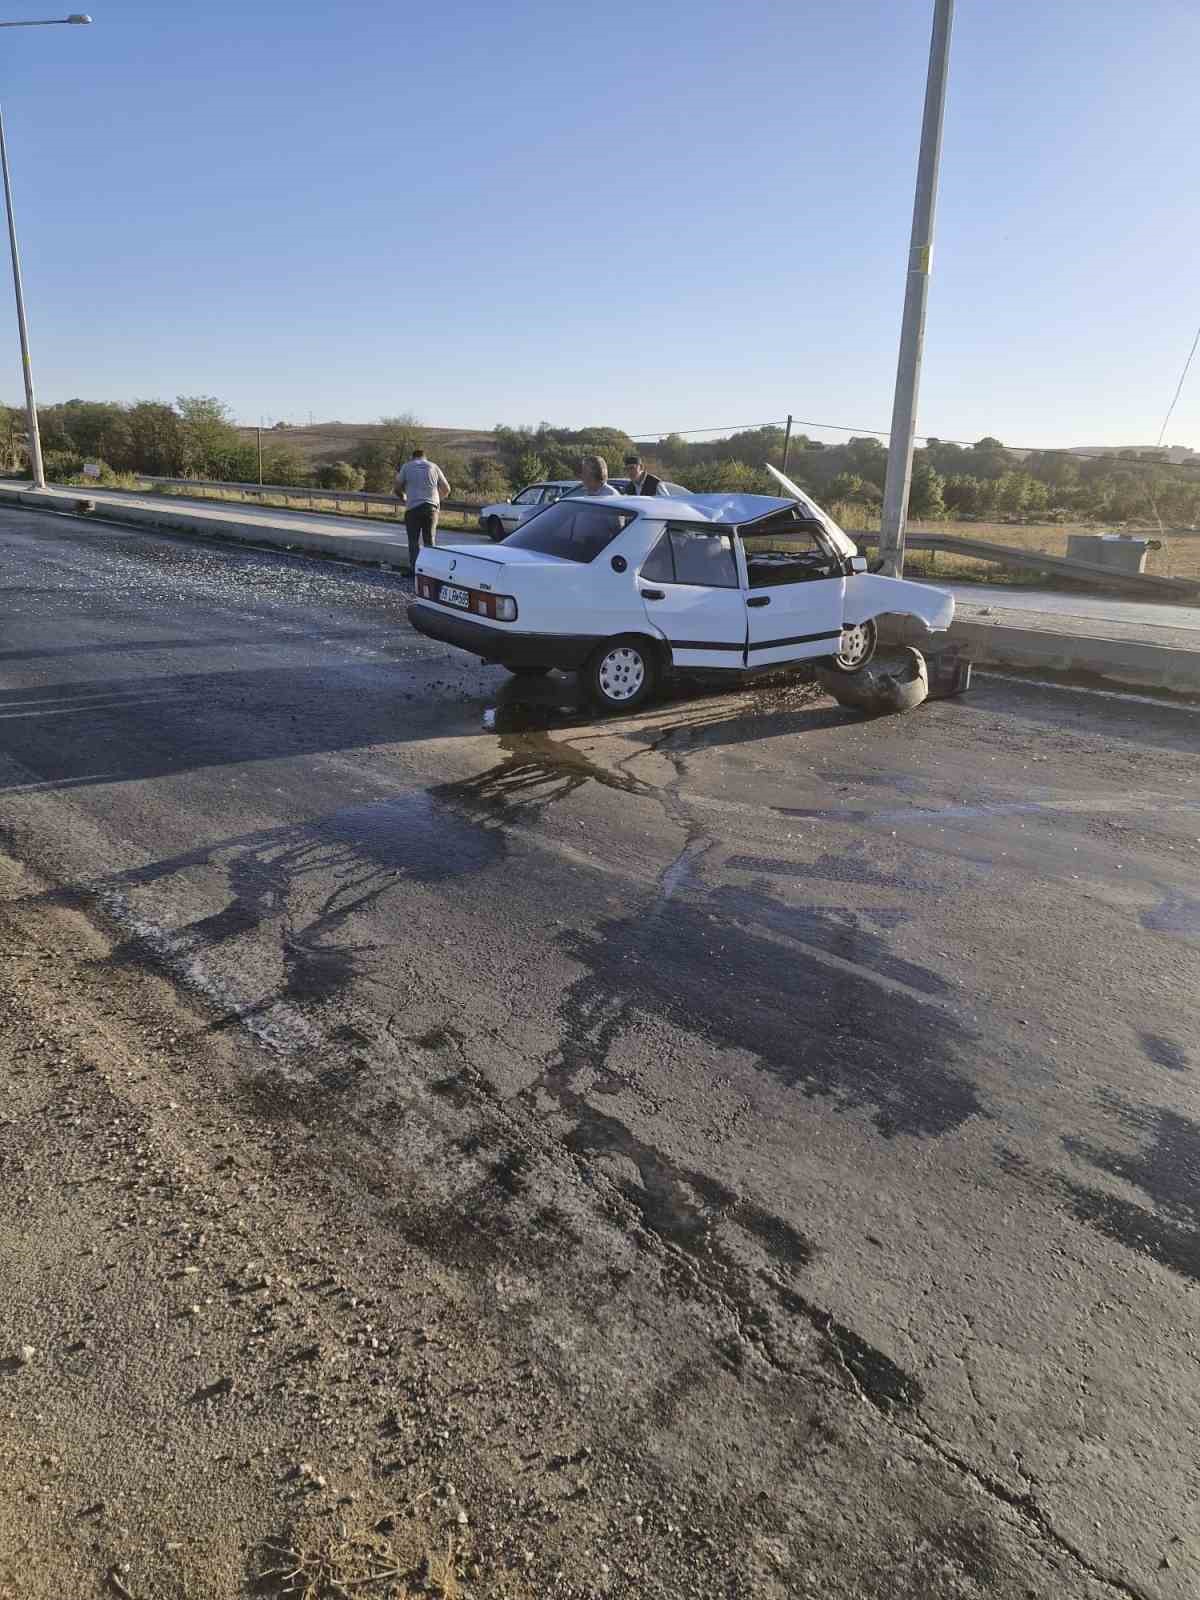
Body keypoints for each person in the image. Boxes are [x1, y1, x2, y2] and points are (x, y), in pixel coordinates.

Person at [395, 446, 451, 572]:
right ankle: (430, 571)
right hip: (431, 508)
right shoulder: (434, 466)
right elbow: (447, 489)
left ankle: (414, 569)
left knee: (413, 542)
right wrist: (436, 501)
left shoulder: (407, 467)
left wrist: (404, 498)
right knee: (430, 540)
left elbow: (397, 488)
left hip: (413, 508)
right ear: (425, 457)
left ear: (413, 457)